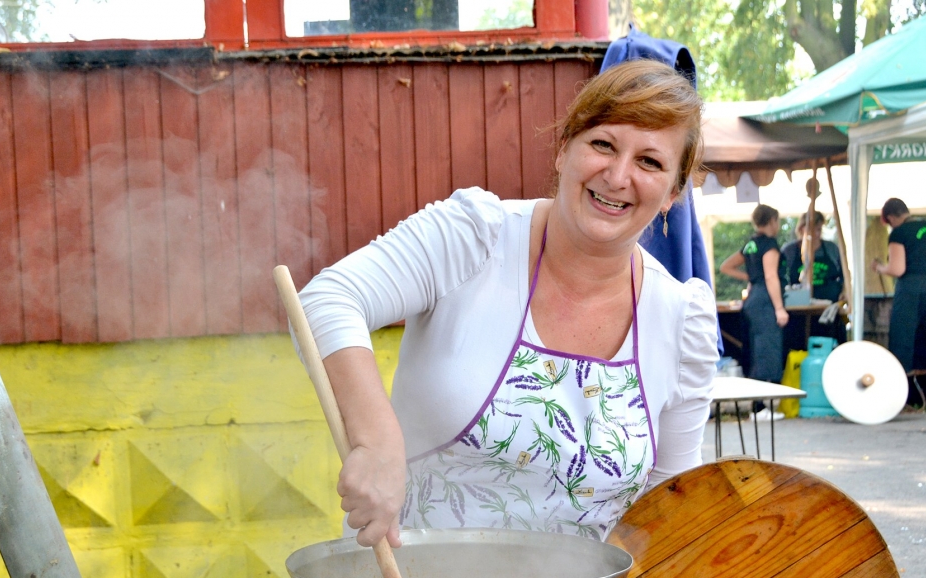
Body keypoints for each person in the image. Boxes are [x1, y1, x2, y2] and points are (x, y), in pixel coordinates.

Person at [298, 60, 719, 545]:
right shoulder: (474, 238)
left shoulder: (681, 319)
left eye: (650, 162)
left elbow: (670, 506)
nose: (618, 175)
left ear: (673, 193)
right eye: (603, 144)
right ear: (564, 149)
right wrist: (376, 439)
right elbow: (327, 299)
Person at [872, 198, 926, 411]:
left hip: (912, 290)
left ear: (891, 218)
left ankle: (900, 401)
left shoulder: (899, 233)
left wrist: (881, 268)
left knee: (902, 340)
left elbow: (898, 269)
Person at [718, 205, 787, 387]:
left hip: (752, 299)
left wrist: (751, 277)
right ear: (772, 221)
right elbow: (771, 276)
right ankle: (765, 404)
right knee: (768, 349)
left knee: (755, 349)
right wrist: (779, 309)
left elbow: (725, 266)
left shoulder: (751, 244)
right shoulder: (769, 245)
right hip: (766, 299)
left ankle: (758, 401)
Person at [781, 211, 846, 342]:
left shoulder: (831, 249)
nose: (816, 234)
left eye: (819, 229)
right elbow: (779, 275)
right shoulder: (790, 251)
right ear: (801, 228)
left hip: (828, 309)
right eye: (812, 229)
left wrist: (845, 292)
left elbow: (844, 275)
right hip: (799, 309)